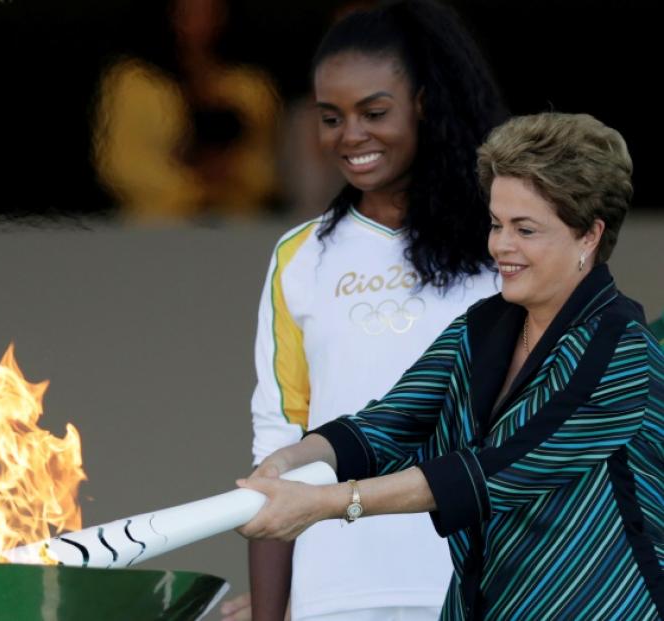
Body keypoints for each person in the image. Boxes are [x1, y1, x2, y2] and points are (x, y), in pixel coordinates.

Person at [238, 112, 663, 620]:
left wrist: (326, 503)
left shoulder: (621, 350)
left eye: (525, 229)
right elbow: (387, 424)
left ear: (589, 236)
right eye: (496, 224)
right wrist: (289, 462)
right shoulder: (485, 326)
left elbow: (492, 474)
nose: (500, 247)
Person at [234, 2, 508, 620]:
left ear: (428, 103)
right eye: (331, 118)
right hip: (335, 595)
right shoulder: (300, 257)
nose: (349, 136)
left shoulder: (504, 240)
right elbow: (279, 439)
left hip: (487, 587)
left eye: (374, 112)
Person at [92, 0, 279, 220]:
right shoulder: (132, 82)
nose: (199, 23)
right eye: (187, 12)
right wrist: (194, 184)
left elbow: (268, 166)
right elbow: (119, 164)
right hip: (155, 228)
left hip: (235, 226)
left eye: (209, 12)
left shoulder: (251, 88)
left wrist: (233, 174)